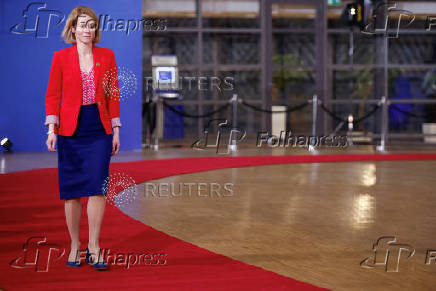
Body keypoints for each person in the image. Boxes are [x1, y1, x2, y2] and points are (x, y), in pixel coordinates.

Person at [44, 6, 121, 270]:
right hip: (69, 130)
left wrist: (116, 130)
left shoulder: (107, 56)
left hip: (99, 128)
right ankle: (75, 244)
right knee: (73, 192)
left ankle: (95, 246)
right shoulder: (60, 57)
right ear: (73, 29)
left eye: (91, 25)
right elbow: (53, 96)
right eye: (82, 25)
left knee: (98, 188)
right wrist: (51, 130)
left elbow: (113, 95)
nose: (87, 30)